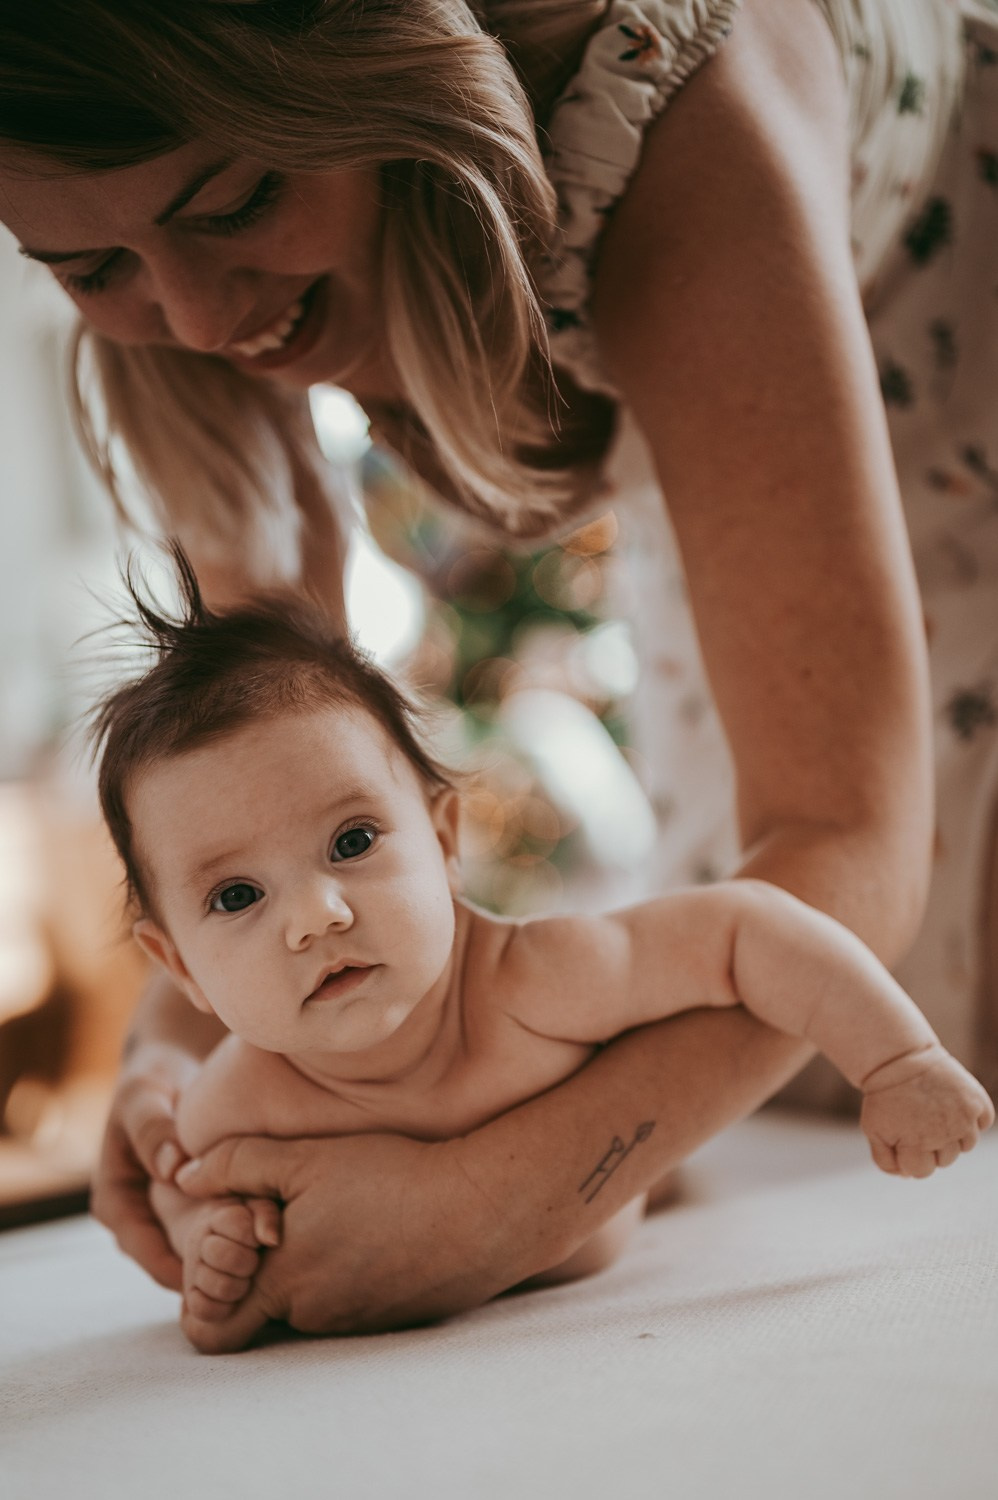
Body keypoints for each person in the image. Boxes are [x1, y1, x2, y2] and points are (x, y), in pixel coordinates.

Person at [0, 0, 995, 1346]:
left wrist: (494, 1201)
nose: (193, 314)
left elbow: (842, 841)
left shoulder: (677, 127)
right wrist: (161, 1071)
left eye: (236, 204)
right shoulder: (175, 310)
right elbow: (248, 784)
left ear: (373, 68)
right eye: (86, 265)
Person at [91, 560, 992, 1351]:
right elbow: (184, 1190)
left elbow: (743, 929)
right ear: (180, 969)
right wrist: (207, 1240)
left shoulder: (534, 978)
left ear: (446, 841)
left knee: (672, 1172)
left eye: (352, 841)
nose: (316, 917)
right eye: (237, 896)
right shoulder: (238, 1106)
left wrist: (898, 1060)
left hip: (629, 1197)